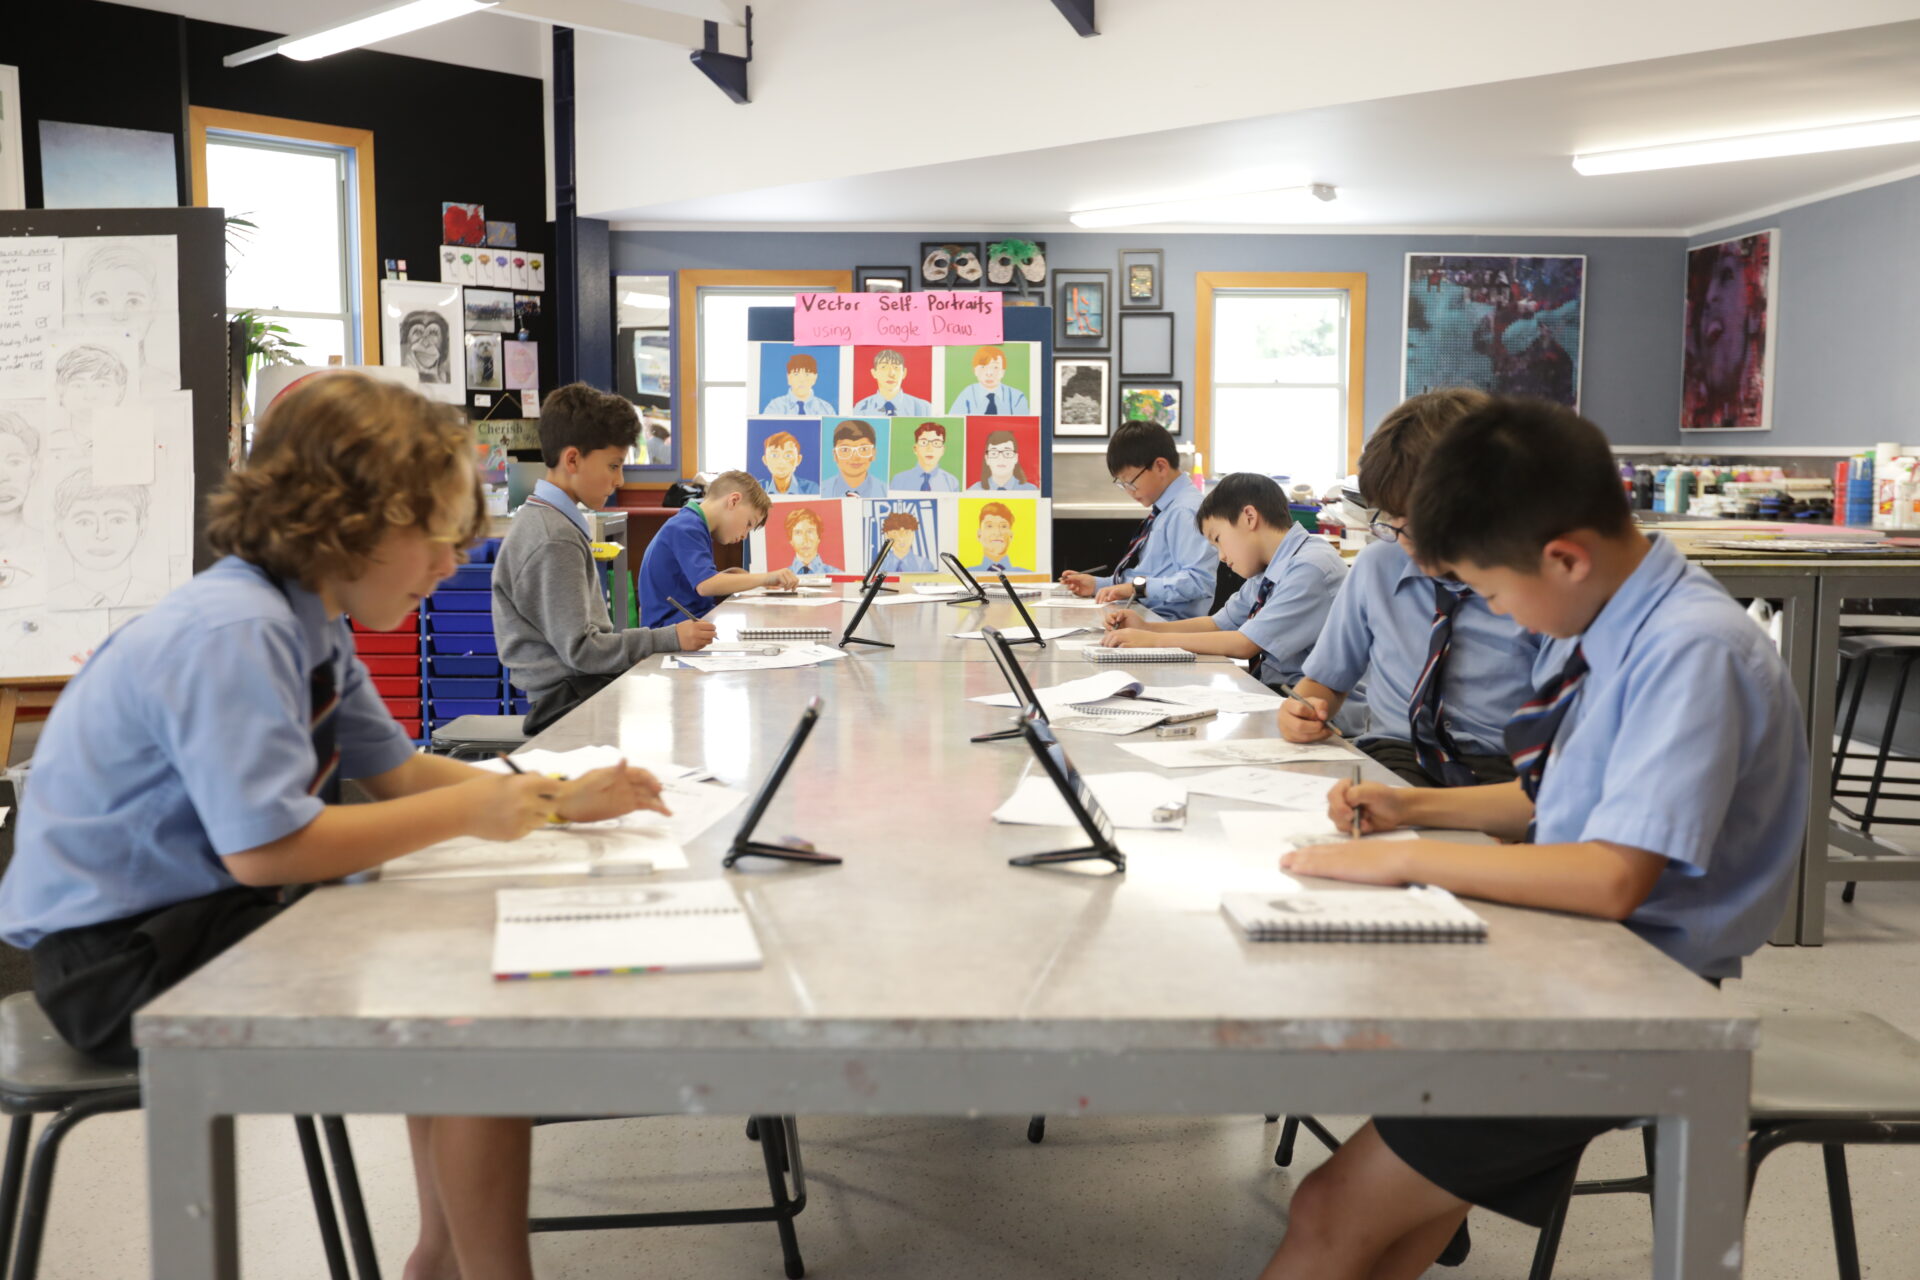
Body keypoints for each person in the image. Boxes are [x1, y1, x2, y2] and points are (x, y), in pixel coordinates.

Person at [0, 372, 675, 1280]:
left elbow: (395, 773)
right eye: (436, 538)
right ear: (345, 522)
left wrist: (558, 798)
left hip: (186, 921)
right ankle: (470, 1266)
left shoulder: (307, 620)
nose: (449, 565)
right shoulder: (237, 630)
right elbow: (265, 849)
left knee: (450, 963)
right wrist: (478, 806)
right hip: (120, 963)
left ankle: (440, 1255)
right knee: (471, 1013)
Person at [1259, 396, 1806, 1280]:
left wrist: (1399, 858)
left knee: (1328, 1209)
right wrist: (1416, 811)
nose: (1496, 611)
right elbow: (1552, 800)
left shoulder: (1688, 651)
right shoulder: (1614, 616)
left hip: (1631, 996)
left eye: (1490, 593)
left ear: (1564, 557)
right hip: (1563, 960)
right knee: (1388, 1220)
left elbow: (1611, 879)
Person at [1280, 389, 1554, 787]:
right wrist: (1300, 711)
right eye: (1390, 518)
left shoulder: (1535, 589)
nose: (1400, 536)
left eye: (1416, 523)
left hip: (1503, 768)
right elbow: (1324, 682)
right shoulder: (1378, 567)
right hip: (1397, 754)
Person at [495, 384, 716, 735]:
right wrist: (669, 637)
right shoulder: (555, 537)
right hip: (569, 708)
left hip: (579, 692)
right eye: (613, 465)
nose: (619, 479)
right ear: (572, 459)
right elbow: (583, 651)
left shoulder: (549, 520)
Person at [1099, 472, 1344, 688]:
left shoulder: (1309, 566)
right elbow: (1219, 624)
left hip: (1320, 717)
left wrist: (1153, 641)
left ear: (1249, 517)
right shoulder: (1269, 568)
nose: (1222, 556)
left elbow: (1244, 644)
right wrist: (1145, 627)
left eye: (1218, 539)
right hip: (1278, 695)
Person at [1059, 422, 1216, 621]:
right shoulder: (1165, 509)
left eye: (1130, 482)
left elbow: (1198, 582)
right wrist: (1099, 585)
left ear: (1160, 466)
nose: (1128, 491)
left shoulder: (1184, 512)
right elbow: (1149, 576)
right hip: (1145, 615)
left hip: (1167, 625)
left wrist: (1135, 588)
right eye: (1122, 484)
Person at [638, 470, 796, 627]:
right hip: (671, 632)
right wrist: (766, 578)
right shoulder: (686, 528)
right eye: (748, 524)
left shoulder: (694, 523)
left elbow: (691, 582)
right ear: (733, 501)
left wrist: (731, 577)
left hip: (689, 624)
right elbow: (706, 585)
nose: (744, 536)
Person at [47, 469, 146, 610]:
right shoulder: (51, 601)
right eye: (84, 522)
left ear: (141, 526)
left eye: (117, 520)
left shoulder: (162, 600)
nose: (102, 534)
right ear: (59, 529)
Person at [947, 346, 1030, 415]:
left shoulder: (1017, 397)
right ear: (975, 371)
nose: (989, 373)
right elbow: (955, 419)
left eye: (995, 367)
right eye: (983, 367)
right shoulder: (967, 394)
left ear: (1003, 372)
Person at [851, 349, 932, 415]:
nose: (891, 374)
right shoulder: (860, 409)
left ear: (904, 372)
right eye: (883, 367)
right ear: (874, 373)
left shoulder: (923, 408)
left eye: (896, 367)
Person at [889, 421, 960, 492]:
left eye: (936, 443)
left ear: (943, 450)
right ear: (915, 449)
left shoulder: (952, 482)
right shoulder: (898, 480)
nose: (930, 449)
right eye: (924, 442)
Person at [826, 419, 887, 498]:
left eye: (863, 449)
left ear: (873, 453)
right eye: (845, 449)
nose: (855, 457)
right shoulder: (820, 489)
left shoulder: (886, 491)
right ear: (835, 455)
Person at [762, 352, 834, 416]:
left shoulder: (826, 409)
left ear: (815, 378)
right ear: (788, 378)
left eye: (807, 374)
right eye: (796, 374)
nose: (801, 380)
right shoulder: (775, 407)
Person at [968, 501, 1031, 574]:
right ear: (979, 535)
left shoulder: (1028, 575)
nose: (997, 533)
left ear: (1011, 535)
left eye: (1003, 526)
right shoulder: (966, 574)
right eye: (989, 526)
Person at [966, 428, 1038, 491]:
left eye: (1007, 453)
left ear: (1015, 458)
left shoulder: (1031, 490)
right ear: (987, 459)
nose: (1001, 458)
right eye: (994, 453)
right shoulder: (975, 489)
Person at [784, 506, 843, 575]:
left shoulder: (838, 574)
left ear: (819, 537)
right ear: (791, 540)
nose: (805, 540)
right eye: (798, 533)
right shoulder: (780, 579)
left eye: (810, 531)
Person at [759, 429, 819, 495]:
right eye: (774, 455)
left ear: (798, 460)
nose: (781, 461)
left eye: (788, 455)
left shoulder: (811, 489)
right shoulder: (757, 489)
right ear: (765, 460)